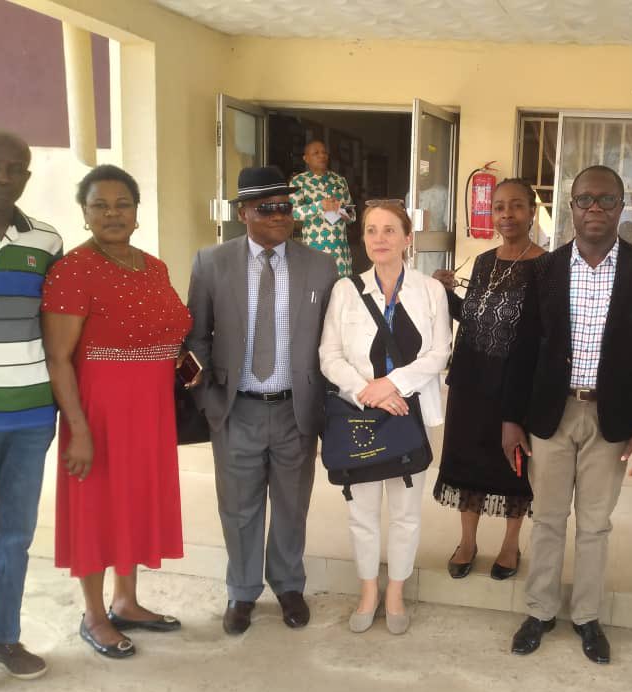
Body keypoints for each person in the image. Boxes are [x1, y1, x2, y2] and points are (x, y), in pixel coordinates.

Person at [503, 165, 632, 664]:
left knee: (595, 523)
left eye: (605, 200)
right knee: (549, 517)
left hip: (612, 417)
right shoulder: (545, 270)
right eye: (584, 200)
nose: (594, 209)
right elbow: (524, 349)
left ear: (622, 207)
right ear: (570, 208)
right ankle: (539, 610)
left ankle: (587, 616)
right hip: (552, 415)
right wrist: (512, 418)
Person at [42, 164, 191, 659]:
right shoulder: (73, 270)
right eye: (99, 205)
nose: (112, 213)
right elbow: (59, 357)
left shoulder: (154, 266)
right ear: (84, 214)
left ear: (136, 211)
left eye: (122, 204)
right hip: (99, 412)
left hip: (149, 409)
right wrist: (78, 430)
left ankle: (126, 601)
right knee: (97, 507)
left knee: (132, 501)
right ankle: (94, 613)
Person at [186, 166, 337, 635]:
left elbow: (333, 340)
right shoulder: (211, 263)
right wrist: (213, 402)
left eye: (286, 207)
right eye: (267, 208)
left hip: (296, 410)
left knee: (293, 505)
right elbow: (197, 338)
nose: (280, 216)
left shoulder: (321, 265)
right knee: (238, 507)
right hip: (237, 409)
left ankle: (289, 585)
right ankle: (243, 591)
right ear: (243, 213)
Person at [320, 200, 451, 634]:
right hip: (359, 414)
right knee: (361, 512)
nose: (380, 238)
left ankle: (395, 591)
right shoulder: (346, 290)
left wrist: (393, 386)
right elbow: (329, 356)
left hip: (408, 414)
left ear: (408, 238)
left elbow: (439, 352)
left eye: (390, 230)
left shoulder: (430, 291)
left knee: (406, 512)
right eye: (372, 230)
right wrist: (367, 391)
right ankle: (368, 590)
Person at [0, 129, 62, 678]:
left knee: (15, 533)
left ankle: (3, 636)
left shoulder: (47, 240)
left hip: (31, 414)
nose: (1, 177)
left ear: (27, 176)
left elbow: (55, 323)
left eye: (14, 169)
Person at [432, 179, 544, 581]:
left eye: (516, 206)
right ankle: (467, 541)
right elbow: (474, 316)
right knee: (466, 458)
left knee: (511, 465)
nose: (507, 215)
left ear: (532, 211)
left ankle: (511, 544)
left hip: (513, 384)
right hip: (470, 380)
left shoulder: (546, 266)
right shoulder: (482, 262)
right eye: (499, 207)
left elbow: (541, 335)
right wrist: (444, 294)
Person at [290, 140, 355, 278]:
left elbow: (352, 213)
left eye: (324, 152)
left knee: (343, 293)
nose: (322, 156)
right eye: (316, 153)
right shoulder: (298, 182)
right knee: (318, 293)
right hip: (315, 250)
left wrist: (344, 214)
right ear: (306, 158)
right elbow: (292, 213)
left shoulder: (339, 181)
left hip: (340, 252)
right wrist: (319, 206)